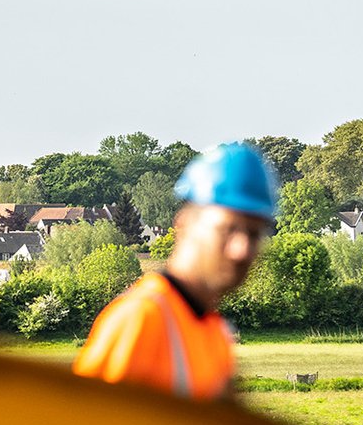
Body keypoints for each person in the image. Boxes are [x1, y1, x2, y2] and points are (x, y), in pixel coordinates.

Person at [72, 142, 277, 398]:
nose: (242, 250)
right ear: (185, 225)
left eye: (254, 234)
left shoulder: (214, 333)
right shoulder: (141, 318)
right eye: (229, 229)